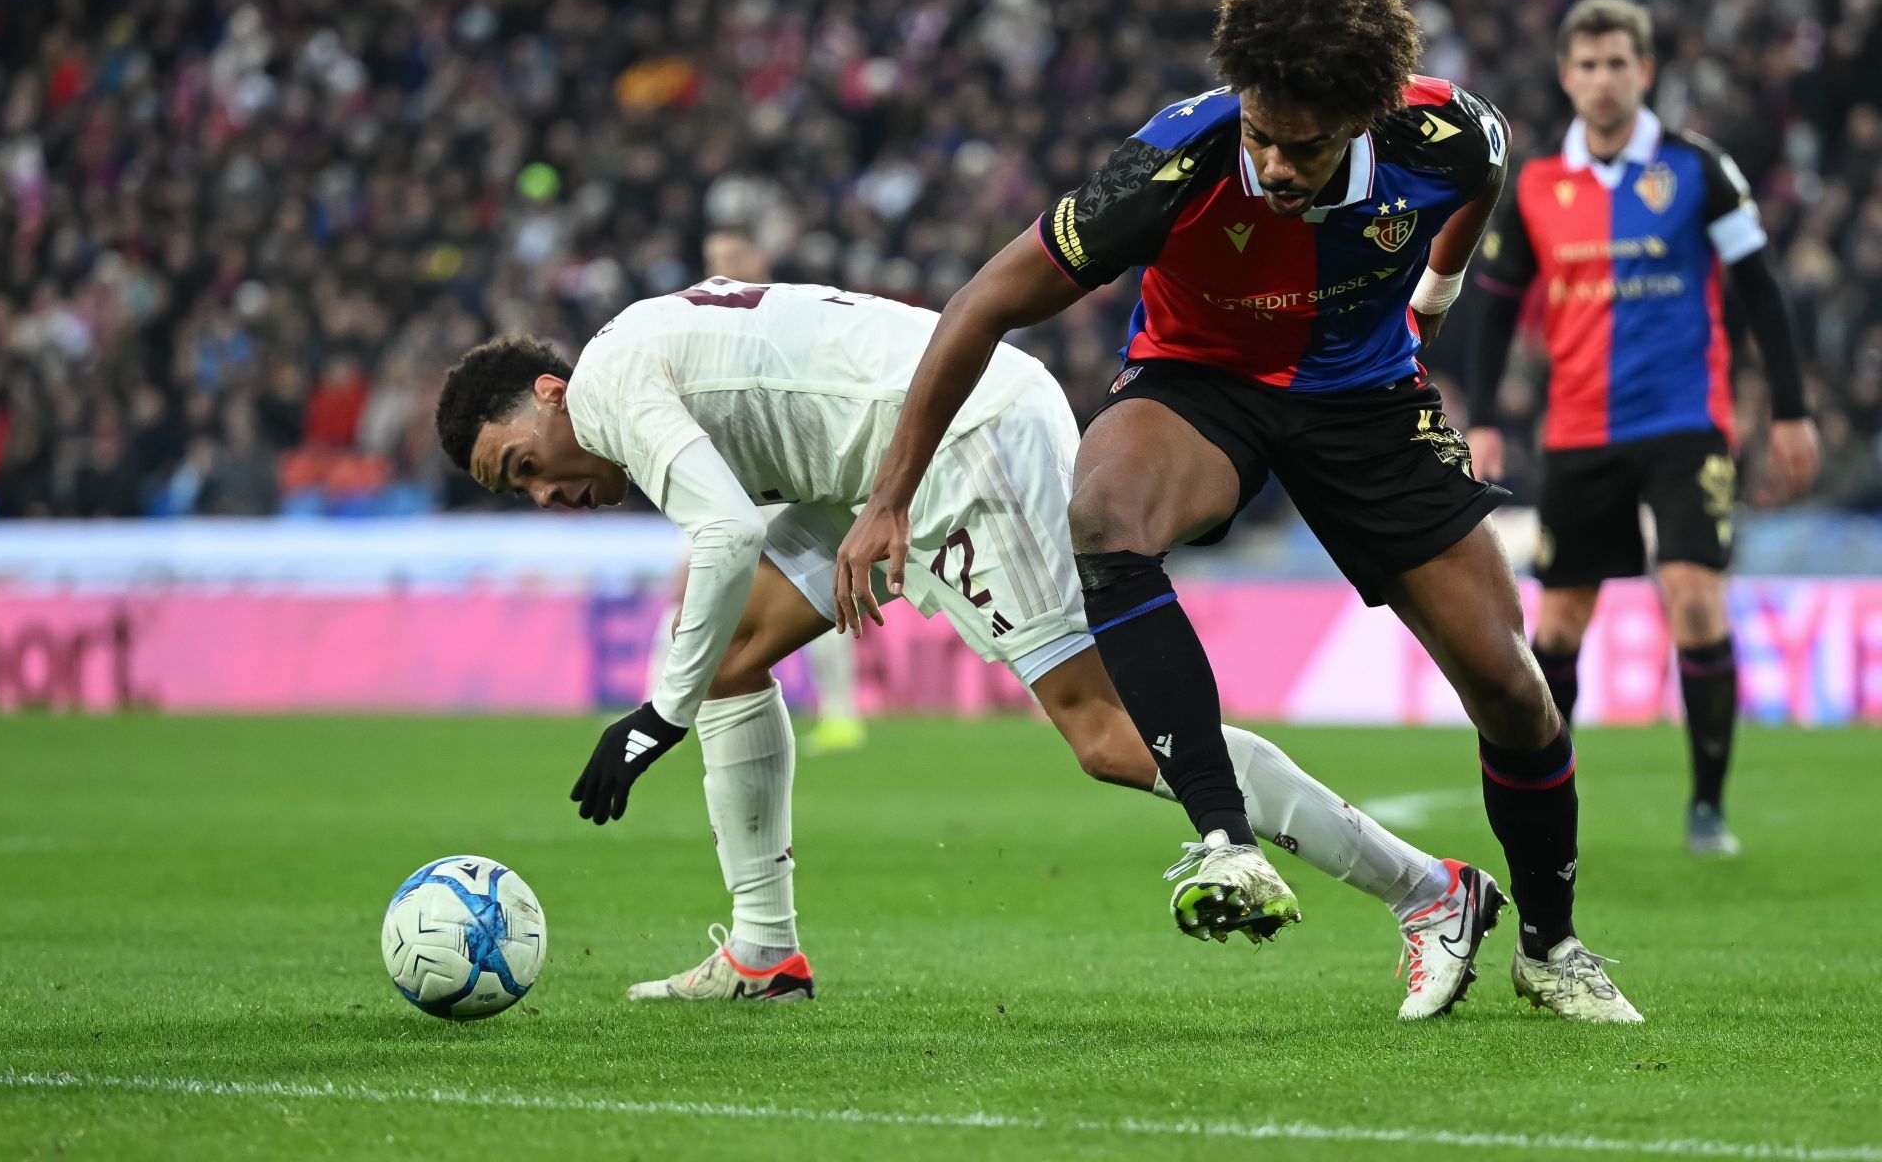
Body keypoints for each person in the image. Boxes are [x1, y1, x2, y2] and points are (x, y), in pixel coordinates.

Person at [833, 0, 1641, 1021]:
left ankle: (1549, 943)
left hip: (1368, 399)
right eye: (1262, 132)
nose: (1273, 162)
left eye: (1303, 145)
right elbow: (983, 303)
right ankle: (1225, 835)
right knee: (1105, 512)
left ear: (1365, 116)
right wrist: (891, 494)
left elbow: (1483, 181)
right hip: (1200, 383)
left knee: (1511, 687)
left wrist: (1435, 294)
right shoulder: (1174, 163)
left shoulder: (1445, 137)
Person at [434, 278, 1506, 1020]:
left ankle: (1429, 890)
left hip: (959, 443)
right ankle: (763, 950)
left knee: (1108, 732)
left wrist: (651, 721)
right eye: (515, 492)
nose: (543, 493)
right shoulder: (639, 343)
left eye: (519, 465)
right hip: (889, 449)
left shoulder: (610, 388)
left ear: (546, 393)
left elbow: (719, 533)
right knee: (728, 658)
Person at [1462, 0, 1820, 857]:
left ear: (1645, 71)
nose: (1602, 80)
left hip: (1686, 424)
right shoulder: (1539, 185)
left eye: (1618, 63)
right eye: (1586, 65)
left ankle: (1706, 808)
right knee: (1558, 627)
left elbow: (1762, 292)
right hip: (1579, 432)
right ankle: (1551, 802)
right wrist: (1481, 421)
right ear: (1565, 76)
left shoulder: (1699, 169)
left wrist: (1794, 411)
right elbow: (1496, 309)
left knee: (1694, 598)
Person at [644, 229, 869, 755]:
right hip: (731, 485)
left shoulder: (791, 314)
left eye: (728, 258)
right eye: (710, 259)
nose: (718, 269)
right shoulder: (703, 323)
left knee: (825, 594)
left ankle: (841, 714)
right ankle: (658, 702)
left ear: (758, 258)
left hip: (791, 480)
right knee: (688, 594)